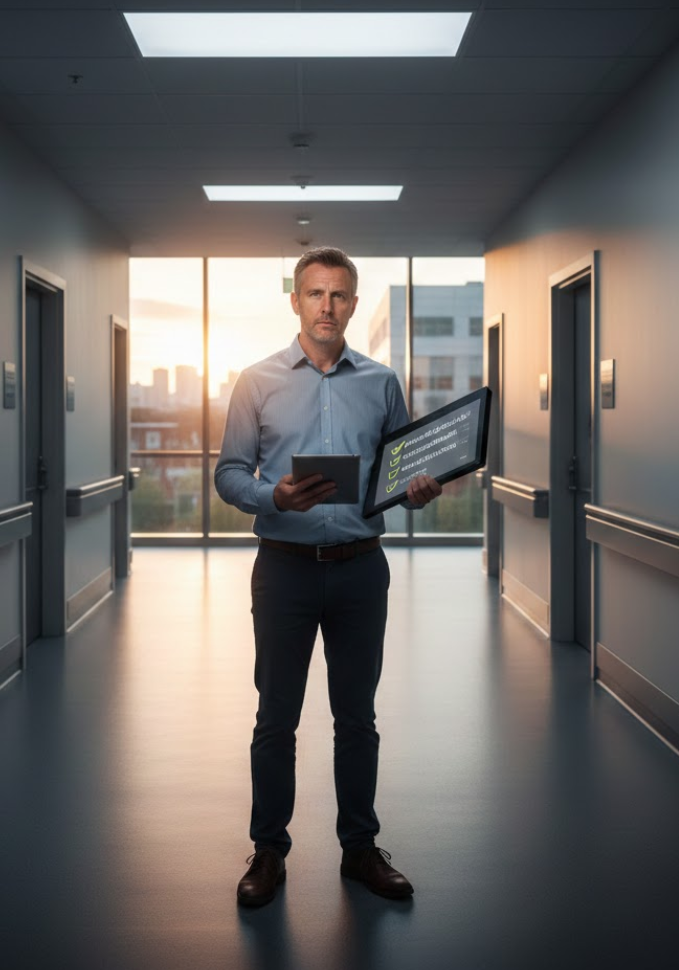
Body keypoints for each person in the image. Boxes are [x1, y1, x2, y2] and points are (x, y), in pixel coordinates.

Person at [215, 246, 442, 908]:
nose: (328, 306)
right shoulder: (256, 382)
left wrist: (417, 491)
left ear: (353, 302)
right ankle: (268, 851)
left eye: (340, 295)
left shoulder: (381, 382)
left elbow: (401, 472)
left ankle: (360, 850)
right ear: (295, 299)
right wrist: (272, 498)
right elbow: (229, 472)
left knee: (357, 719)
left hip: (360, 571)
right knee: (275, 719)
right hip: (282, 571)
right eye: (315, 294)